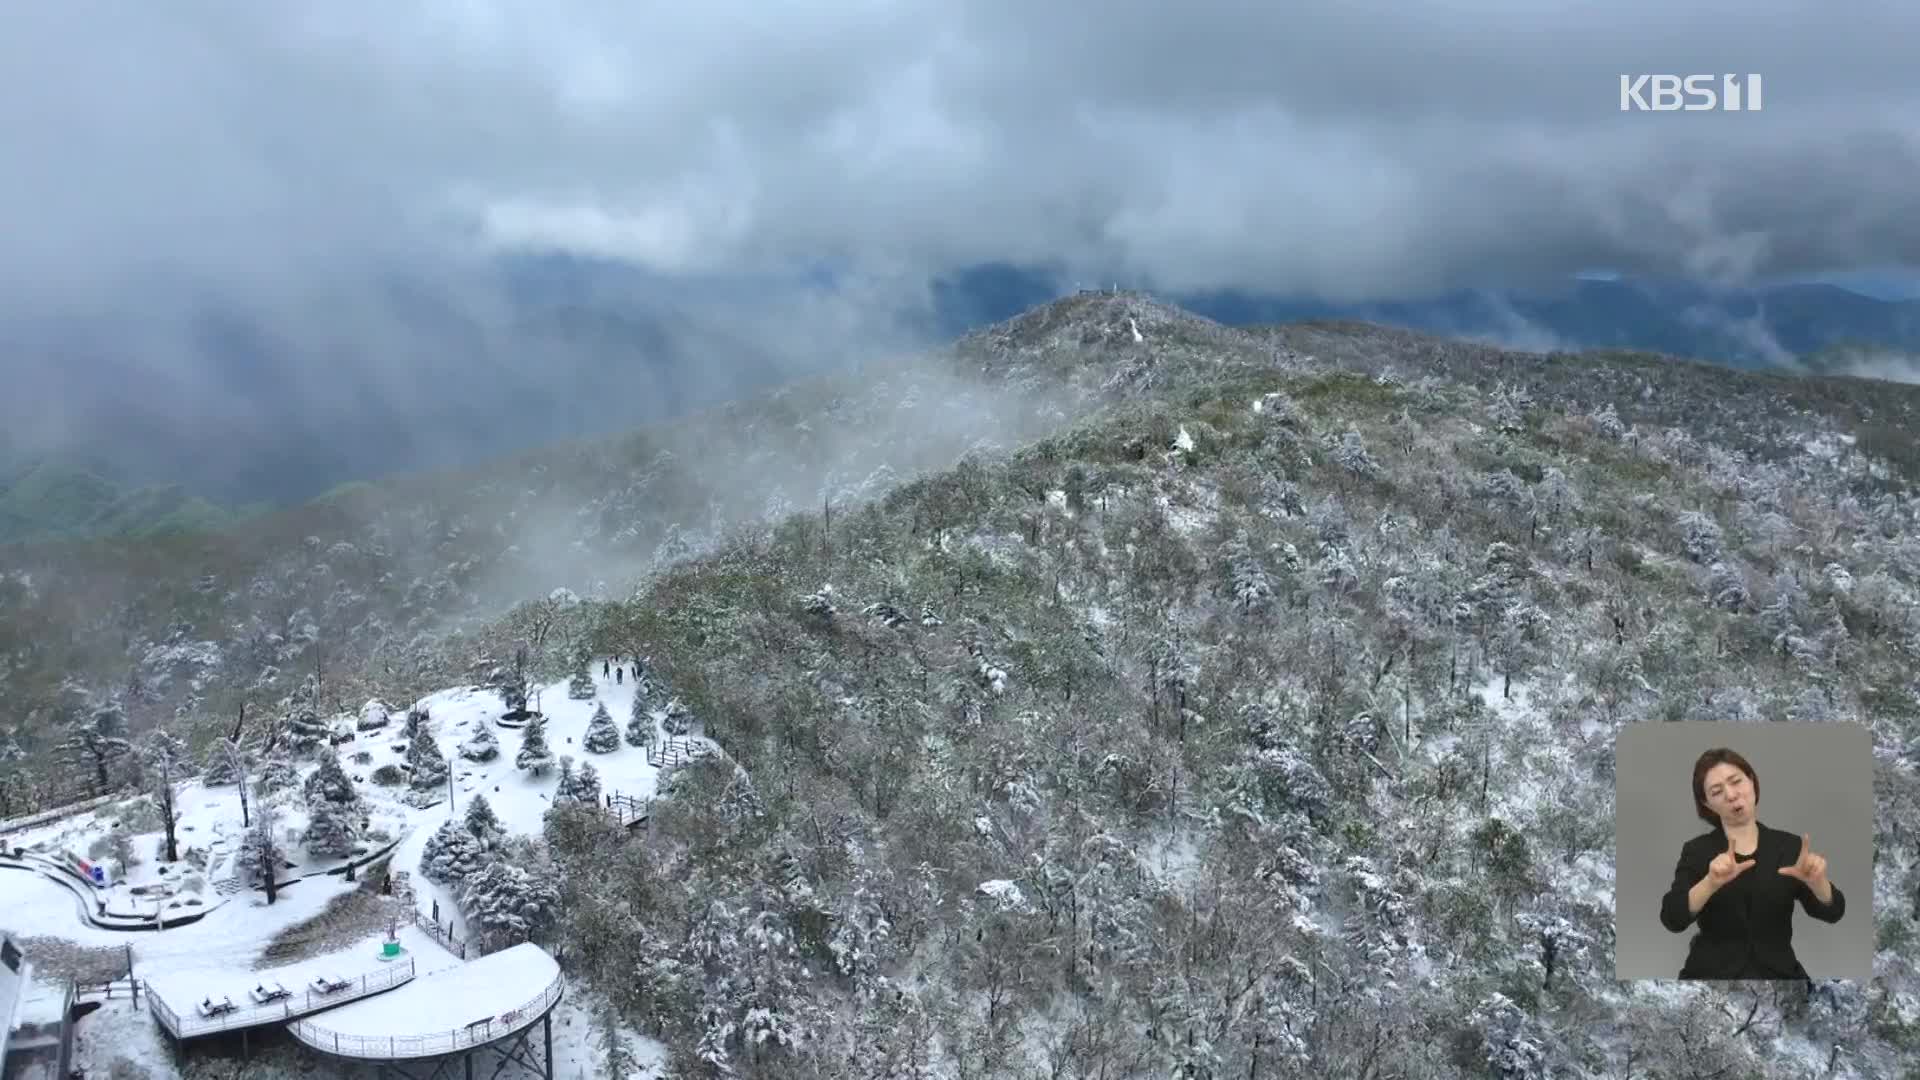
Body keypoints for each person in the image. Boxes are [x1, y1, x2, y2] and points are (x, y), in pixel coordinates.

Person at [1658, 748, 1844, 979]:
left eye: (1736, 781)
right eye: (1717, 792)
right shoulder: (1697, 851)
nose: (1731, 795)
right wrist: (1710, 883)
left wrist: (1818, 883)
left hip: (1780, 977)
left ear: (1752, 781)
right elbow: (1672, 918)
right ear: (1707, 804)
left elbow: (1834, 912)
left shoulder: (1789, 846)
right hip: (1712, 979)